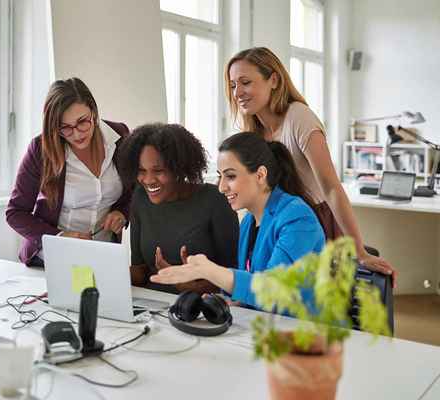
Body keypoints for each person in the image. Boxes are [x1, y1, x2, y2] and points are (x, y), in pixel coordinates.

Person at [223, 47, 396, 284]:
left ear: (273, 80)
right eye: (233, 85)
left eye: (245, 82)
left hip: (311, 224)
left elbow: (331, 188)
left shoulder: (299, 118)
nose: (237, 92)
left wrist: (359, 251)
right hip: (275, 226)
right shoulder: (254, 132)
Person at [151, 133, 325, 307]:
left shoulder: (297, 217)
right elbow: (252, 289)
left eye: (231, 176)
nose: (221, 187)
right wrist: (227, 302)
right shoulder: (249, 221)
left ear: (260, 175)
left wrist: (210, 271)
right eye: (220, 176)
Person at [6, 77, 131, 266]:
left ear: (93, 111)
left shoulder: (119, 136)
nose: (77, 134)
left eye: (82, 122)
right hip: (54, 259)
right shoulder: (40, 149)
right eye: (65, 128)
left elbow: (135, 188)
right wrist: (61, 237)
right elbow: (15, 213)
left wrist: (122, 212)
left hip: (104, 255)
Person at [117, 123, 239, 294]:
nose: (148, 179)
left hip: (200, 308)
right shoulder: (140, 198)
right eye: (141, 170)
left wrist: (187, 284)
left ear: (179, 168)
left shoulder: (215, 201)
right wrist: (102, 273)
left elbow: (233, 277)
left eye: (158, 170)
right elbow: (140, 273)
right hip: (152, 307)